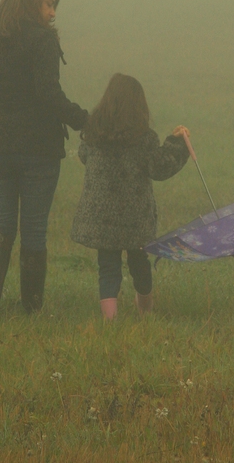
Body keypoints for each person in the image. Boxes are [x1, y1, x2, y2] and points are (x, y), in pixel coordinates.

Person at [0, 0, 88, 317]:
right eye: (48, 4)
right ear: (31, 3)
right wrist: (85, 120)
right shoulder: (42, 40)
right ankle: (32, 308)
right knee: (33, 229)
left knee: (0, 226)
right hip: (39, 148)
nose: (52, 13)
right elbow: (48, 92)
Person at [70, 73, 191, 320]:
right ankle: (145, 311)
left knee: (107, 267)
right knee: (139, 263)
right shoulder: (143, 138)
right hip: (135, 218)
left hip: (101, 217)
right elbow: (160, 167)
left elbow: (83, 156)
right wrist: (177, 143)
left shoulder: (93, 135)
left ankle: (110, 319)